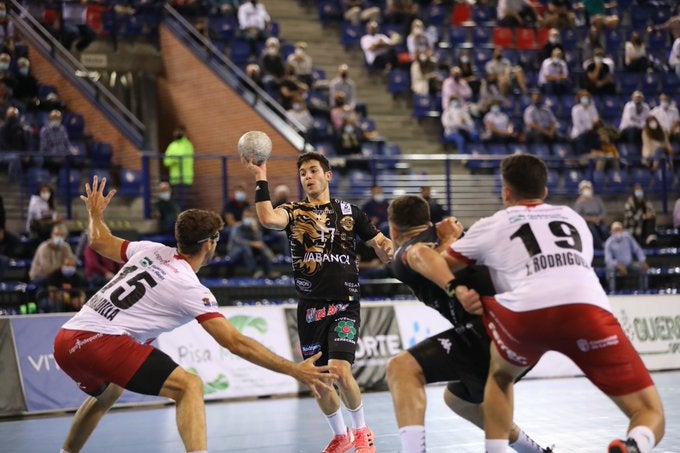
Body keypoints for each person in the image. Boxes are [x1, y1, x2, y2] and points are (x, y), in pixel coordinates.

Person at [53, 176, 336, 453]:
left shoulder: (150, 250)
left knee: (108, 393)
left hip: (66, 340)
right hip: (102, 342)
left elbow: (99, 241)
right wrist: (295, 370)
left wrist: (94, 214)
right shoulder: (189, 286)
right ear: (210, 244)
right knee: (189, 386)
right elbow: (235, 343)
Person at [437, 154, 665, 453]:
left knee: (501, 376)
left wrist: (447, 239)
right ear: (545, 191)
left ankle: (495, 449)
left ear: (506, 192)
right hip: (587, 309)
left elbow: (441, 266)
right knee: (649, 411)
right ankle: (635, 444)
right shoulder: (574, 218)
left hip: (526, 314)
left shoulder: (492, 223)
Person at [242, 151, 393, 453]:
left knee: (339, 370)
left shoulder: (351, 212)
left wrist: (387, 248)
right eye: (302, 173)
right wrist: (261, 177)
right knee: (319, 380)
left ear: (328, 175)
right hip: (310, 308)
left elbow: (379, 243)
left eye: (313, 170)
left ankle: (361, 431)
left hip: (344, 304)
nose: (307, 176)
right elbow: (268, 218)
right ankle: (341, 436)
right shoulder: (294, 211)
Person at [386, 195, 554, 453]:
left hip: (496, 327)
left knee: (402, 369)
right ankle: (535, 451)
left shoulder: (409, 253)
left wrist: (453, 286)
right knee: (459, 399)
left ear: (394, 230)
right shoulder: (452, 234)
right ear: (428, 221)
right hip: (530, 329)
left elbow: (419, 254)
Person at [227, 206, 277, 278]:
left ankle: (269, 271)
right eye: (246, 216)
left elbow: (259, 242)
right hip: (235, 251)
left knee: (260, 248)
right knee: (245, 248)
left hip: (250, 253)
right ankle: (255, 272)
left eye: (250, 216)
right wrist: (252, 244)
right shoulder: (237, 226)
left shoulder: (255, 227)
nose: (248, 218)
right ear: (243, 216)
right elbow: (237, 240)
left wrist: (255, 231)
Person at [604, 221, 649, 293]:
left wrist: (642, 260)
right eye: (615, 230)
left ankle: (643, 291)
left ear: (622, 230)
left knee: (642, 268)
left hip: (629, 264)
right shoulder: (609, 242)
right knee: (610, 271)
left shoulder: (628, 238)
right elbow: (608, 260)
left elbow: (637, 249)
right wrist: (618, 265)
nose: (618, 232)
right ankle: (612, 292)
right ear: (612, 231)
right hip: (616, 266)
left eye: (619, 229)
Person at [163, 126, 194, 209]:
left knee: (182, 202)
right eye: (176, 131)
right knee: (175, 202)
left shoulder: (187, 145)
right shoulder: (172, 145)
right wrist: (175, 159)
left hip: (185, 178)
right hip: (174, 178)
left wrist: (172, 158)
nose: (177, 133)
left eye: (179, 131)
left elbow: (181, 157)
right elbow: (166, 161)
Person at [574, 180, 609, 249]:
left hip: (598, 219)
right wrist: (590, 219)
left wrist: (599, 218)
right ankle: (600, 246)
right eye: (584, 188)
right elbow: (578, 215)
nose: (587, 190)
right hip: (587, 221)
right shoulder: (579, 202)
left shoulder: (597, 199)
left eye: (588, 188)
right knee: (592, 230)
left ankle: (609, 243)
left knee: (604, 228)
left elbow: (603, 211)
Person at [39, 109, 75, 174]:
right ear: (50, 119)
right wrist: (58, 154)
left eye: (57, 119)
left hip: (62, 156)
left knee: (75, 160)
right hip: (50, 156)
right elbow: (44, 147)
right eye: (54, 119)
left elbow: (67, 143)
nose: (56, 121)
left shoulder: (63, 129)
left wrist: (73, 150)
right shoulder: (44, 130)